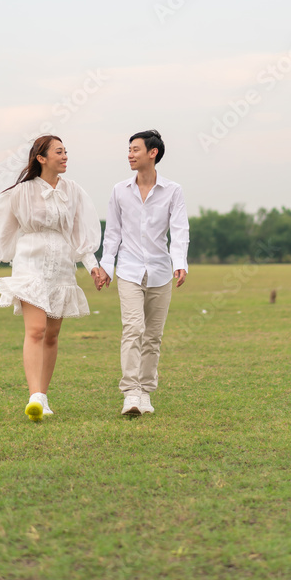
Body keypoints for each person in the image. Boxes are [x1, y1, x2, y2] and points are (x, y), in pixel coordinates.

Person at [0, 135, 103, 421]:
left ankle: (43, 397)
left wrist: (92, 265)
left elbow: (80, 233)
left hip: (61, 266)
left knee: (52, 335)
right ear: (41, 158)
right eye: (59, 152)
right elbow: (4, 233)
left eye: (66, 151)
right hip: (29, 264)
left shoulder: (75, 191)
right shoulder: (20, 193)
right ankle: (34, 396)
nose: (65, 156)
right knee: (35, 330)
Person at [97, 130, 189, 416]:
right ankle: (131, 393)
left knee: (153, 336)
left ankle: (146, 391)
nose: (130, 154)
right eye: (128, 149)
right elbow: (112, 232)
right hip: (128, 269)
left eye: (135, 149)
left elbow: (179, 229)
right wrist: (106, 265)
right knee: (133, 328)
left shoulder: (173, 190)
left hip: (161, 271)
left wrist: (180, 262)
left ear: (153, 153)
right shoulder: (119, 191)